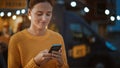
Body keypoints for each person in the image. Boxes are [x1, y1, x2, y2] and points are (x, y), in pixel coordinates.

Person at [8, 0, 69, 68]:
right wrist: (35, 62)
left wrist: (61, 64)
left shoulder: (58, 38)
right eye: (39, 14)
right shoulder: (16, 40)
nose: (44, 19)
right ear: (29, 13)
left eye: (48, 14)